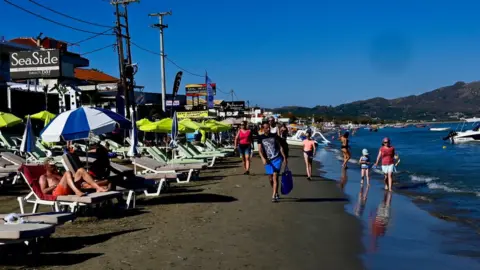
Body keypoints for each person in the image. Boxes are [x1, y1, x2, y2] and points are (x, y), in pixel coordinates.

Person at [39, 159, 108, 197]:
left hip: (69, 189)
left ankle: (98, 188)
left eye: (54, 165)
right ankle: (77, 191)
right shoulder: (44, 177)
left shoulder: (58, 174)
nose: (54, 167)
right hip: (58, 192)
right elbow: (44, 191)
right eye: (51, 166)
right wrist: (55, 186)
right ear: (45, 167)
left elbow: (70, 179)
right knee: (68, 172)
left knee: (81, 170)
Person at [258, 122, 288, 203]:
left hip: (277, 158)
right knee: (270, 178)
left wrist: (284, 157)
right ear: (263, 128)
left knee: (275, 176)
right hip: (268, 160)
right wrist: (263, 159)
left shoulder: (274, 136)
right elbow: (260, 150)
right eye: (266, 128)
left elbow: (280, 147)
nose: (268, 129)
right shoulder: (260, 137)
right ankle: (276, 191)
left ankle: (274, 195)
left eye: (269, 128)